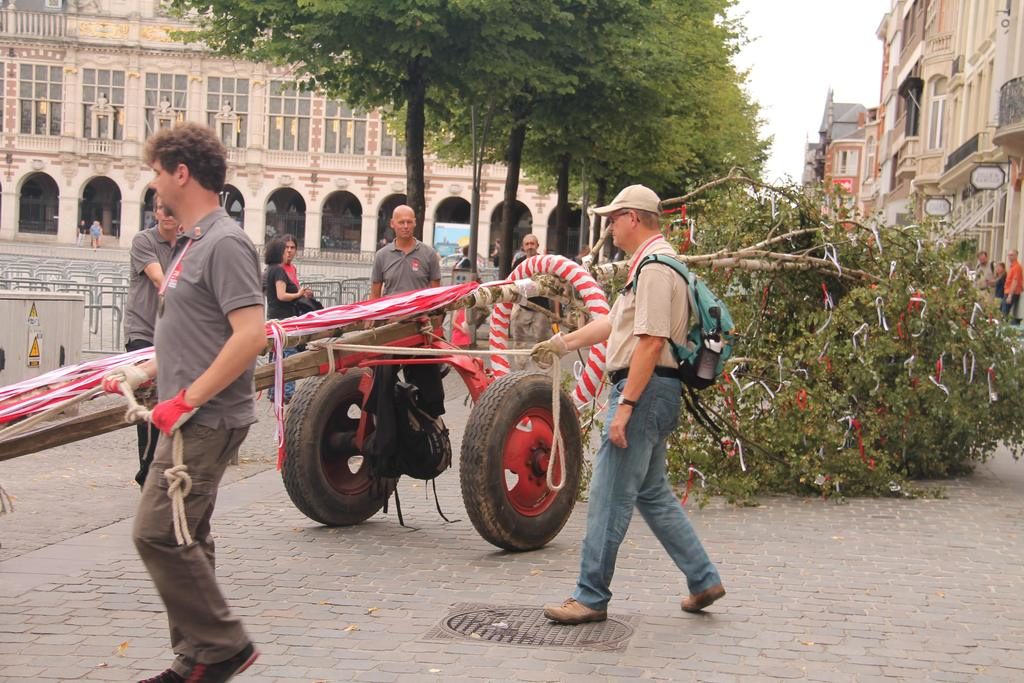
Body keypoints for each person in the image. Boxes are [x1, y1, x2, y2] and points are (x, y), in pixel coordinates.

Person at [102, 123, 265, 682]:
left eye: (156, 170)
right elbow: (196, 331)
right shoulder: (193, 243)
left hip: (204, 418)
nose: (152, 183)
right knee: (186, 535)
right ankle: (195, 661)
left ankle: (224, 646)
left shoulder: (224, 243)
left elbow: (249, 335)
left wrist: (185, 400)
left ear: (181, 172)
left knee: (157, 532)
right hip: (188, 410)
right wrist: (143, 370)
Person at [533, 184, 724, 625]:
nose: (609, 226)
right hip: (655, 391)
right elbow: (613, 324)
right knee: (652, 493)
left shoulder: (657, 269)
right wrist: (562, 342)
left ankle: (590, 596)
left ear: (634, 218)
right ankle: (703, 578)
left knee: (607, 496)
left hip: (645, 391)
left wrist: (625, 407)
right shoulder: (649, 266)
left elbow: (651, 341)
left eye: (614, 218)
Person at [124, 195, 180, 487]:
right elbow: (161, 280)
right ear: (156, 212)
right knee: (148, 402)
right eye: (162, 208)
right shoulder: (143, 242)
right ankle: (148, 469)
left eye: (172, 208)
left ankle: (154, 468)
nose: (167, 213)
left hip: (172, 334)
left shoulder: (188, 245)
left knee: (167, 399)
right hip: (143, 332)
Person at [369, 204, 445, 416]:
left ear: (415, 223)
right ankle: (384, 418)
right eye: (400, 222)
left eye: (409, 221)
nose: (405, 226)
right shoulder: (382, 256)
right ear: (392, 224)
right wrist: (373, 324)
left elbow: (436, 295)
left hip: (420, 329)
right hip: (391, 328)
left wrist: (436, 326)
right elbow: (375, 295)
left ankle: (429, 419)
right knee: (382, 381)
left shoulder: (428, 254)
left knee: (429, 387)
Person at [263, 235, 313, 404]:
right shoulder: (278, 270)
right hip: (284, 319)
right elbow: (281, 295)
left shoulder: (270, 269)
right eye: (285, 249)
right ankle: (287, 394)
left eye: (292, 248)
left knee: (276, 357)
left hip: (275, 317)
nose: (289, 252)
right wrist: (299, 294)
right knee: (288, 358)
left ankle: (273, 392)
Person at [510, 234, 554, 369]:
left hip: (541, 308)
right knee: (519, 340)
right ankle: (521, 369)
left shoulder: (544, 262)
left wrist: (555, 313)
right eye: (527, 244)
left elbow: (553, 287)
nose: (529, 247)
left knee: (542, 340)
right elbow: (513, 284)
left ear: (537, 245)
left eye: (532, 244)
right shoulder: (518, 263)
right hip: (523, 307)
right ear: (523, 247)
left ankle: (543, 369)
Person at [1004, 250, 1022, 324]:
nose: (1010, 257)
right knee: (1004, 312)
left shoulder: (1017, 267)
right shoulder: (1012, 267)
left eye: (1012, 255)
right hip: (1007, 292)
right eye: (1009, 255)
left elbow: (1015, 281)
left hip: (1012, 293)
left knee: (1004, 313)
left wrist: (1010, 295)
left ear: (1016, 256)